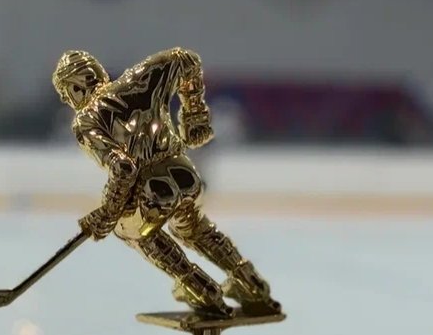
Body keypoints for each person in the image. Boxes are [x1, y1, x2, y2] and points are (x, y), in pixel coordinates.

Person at [53, 47, 279, 318]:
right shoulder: (139, 79)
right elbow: (187, 60)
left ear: (76, 88)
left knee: (132, 230)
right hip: (184, 173)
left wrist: (109, 212)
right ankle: (251, 282)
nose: (66, 99)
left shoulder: (86, 121)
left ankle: (199, 287)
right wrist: (194, 115)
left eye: (65, 92)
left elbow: (124, 168)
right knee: (193, 227)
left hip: (153, 190)